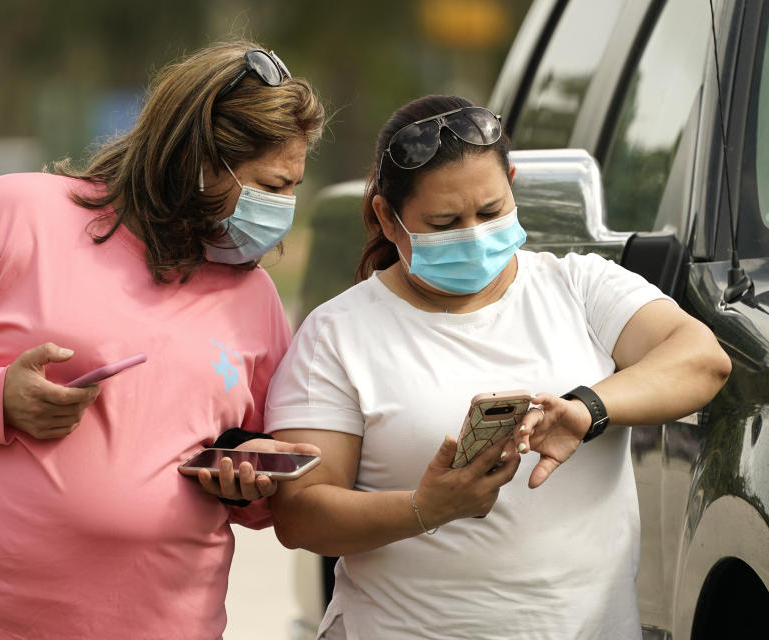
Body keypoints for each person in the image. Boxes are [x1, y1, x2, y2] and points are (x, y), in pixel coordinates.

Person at [0, 41, 323, 640]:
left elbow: (258, 479)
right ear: (196, 160)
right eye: (269, 186)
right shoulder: (22, 212)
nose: (282, 210)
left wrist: (245, 485)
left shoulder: (256, 299)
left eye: (292, 188)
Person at [263, 94, 732, 639]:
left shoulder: (579, 286)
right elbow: (300, 515)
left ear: (512, 182)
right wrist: (424, 508)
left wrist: (588, 409)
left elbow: (703, 360)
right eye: (444, 222)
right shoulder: (338, 333)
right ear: (387, 220)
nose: (473, 234)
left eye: (490, 211)